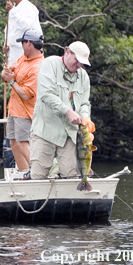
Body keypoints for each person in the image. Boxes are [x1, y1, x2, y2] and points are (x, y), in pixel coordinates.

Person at [29, 41, 95, 180]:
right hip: (45, 131)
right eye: (77, 60)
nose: (78, 65)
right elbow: (46, 94)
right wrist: (68, 111)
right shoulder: (49, 64)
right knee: (38, 175)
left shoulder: (83, 76)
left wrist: (86, 118)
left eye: (82, 63)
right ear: (67, 52)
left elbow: (84, 103)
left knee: (71, 176)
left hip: (69, 134)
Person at [1, 30, 45, 175]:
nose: (21, 45)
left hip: (26, 113)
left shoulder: (38, 67)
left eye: (22, 43)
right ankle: (25, 174)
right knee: (13, 143)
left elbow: (26, 95)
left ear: (29, 44)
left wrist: (11, 81)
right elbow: (14, 68)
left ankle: (40, 172)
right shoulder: (24, 58)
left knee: (22, 142)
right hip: (13, 109)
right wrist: (7, 71)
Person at [2, 0, 43, 66]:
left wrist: (12, 11)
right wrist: (6, 46)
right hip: (12, 52)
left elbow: (25, 25)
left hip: (24, 51)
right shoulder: (14, 8)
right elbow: (9, 30)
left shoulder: (30, 8)